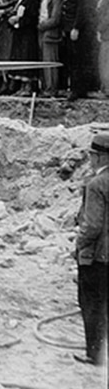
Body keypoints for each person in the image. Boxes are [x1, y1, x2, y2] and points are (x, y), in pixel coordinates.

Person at [74, 132, 109, 366]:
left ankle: (94, 353)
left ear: (96, 157)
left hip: (97, 256)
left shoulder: (96, 184)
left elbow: (93, 225)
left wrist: (78, 245)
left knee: (91, 303)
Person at [59, 0, 101, 101]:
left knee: (80, 59)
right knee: (74, 58)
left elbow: (84, 7)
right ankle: (77, 88)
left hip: (80, 29)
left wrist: (76, 27)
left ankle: (80, 89)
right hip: (71, 27)